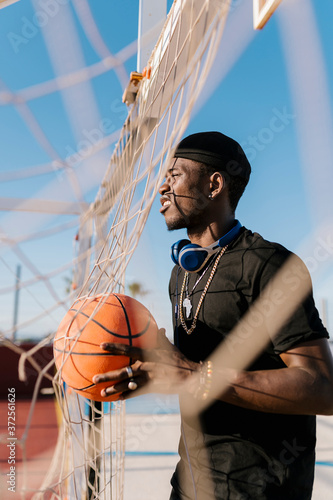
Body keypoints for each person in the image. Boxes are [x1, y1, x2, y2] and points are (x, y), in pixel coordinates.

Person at [93, 131, 333, 499]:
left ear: (214, 184)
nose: (162, 187)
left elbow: (321, 388)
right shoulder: (181, 272)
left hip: (259, 490)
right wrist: (157, 374)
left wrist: (194, 375)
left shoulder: (268, 263)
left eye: (174, 175)